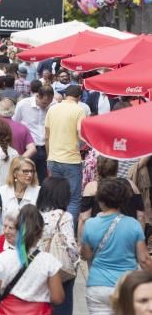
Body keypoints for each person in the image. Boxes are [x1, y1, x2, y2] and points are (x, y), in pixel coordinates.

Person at [81, 178, 152, 315]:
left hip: (97, 285)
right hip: (125, 286)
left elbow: (86, 254)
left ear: (100, 200)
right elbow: (144, 259)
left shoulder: (90, 224)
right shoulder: (133, 225)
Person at [35, 177, 79, 315]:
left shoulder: (33, 214)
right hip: (60, 274)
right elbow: (70, 245)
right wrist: (77, 261)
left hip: (36, 272)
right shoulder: (64, 216)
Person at [45, 84, 85, 227]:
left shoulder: (52, 109)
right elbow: (81, 134)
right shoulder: (79, 110)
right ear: (79, 97)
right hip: (71, 160)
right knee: (73, 199)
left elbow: (47, 136)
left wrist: (49, 155)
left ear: (65, 95)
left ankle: (54, 229)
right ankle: (67, 231)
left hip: (53, 159)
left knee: (55, 197)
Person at [79, 156, 145, 241]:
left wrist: (81, 243)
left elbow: (84, 218)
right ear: (117, 168)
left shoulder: (91, 188)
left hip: (99, 238)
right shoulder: (131, 185)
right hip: (127, 238)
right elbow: (141, 216)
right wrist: (140, 241)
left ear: (98, 168)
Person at [0, 157, 40, 235]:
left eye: (32, 171)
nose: (30, 174)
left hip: (29, 243)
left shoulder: (39, 192)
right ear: (15, 173)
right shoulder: (2, 191)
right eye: (25, 171)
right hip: (4, 242)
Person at [13, 86, 54, 185]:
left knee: (43, 178)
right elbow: (15, 123)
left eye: (49, 102)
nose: (46, 105)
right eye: (44, 103)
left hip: (46, 147)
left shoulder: (53, 106)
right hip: (29, 147)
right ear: (38, 96)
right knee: (27, 177)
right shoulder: (23, 104)